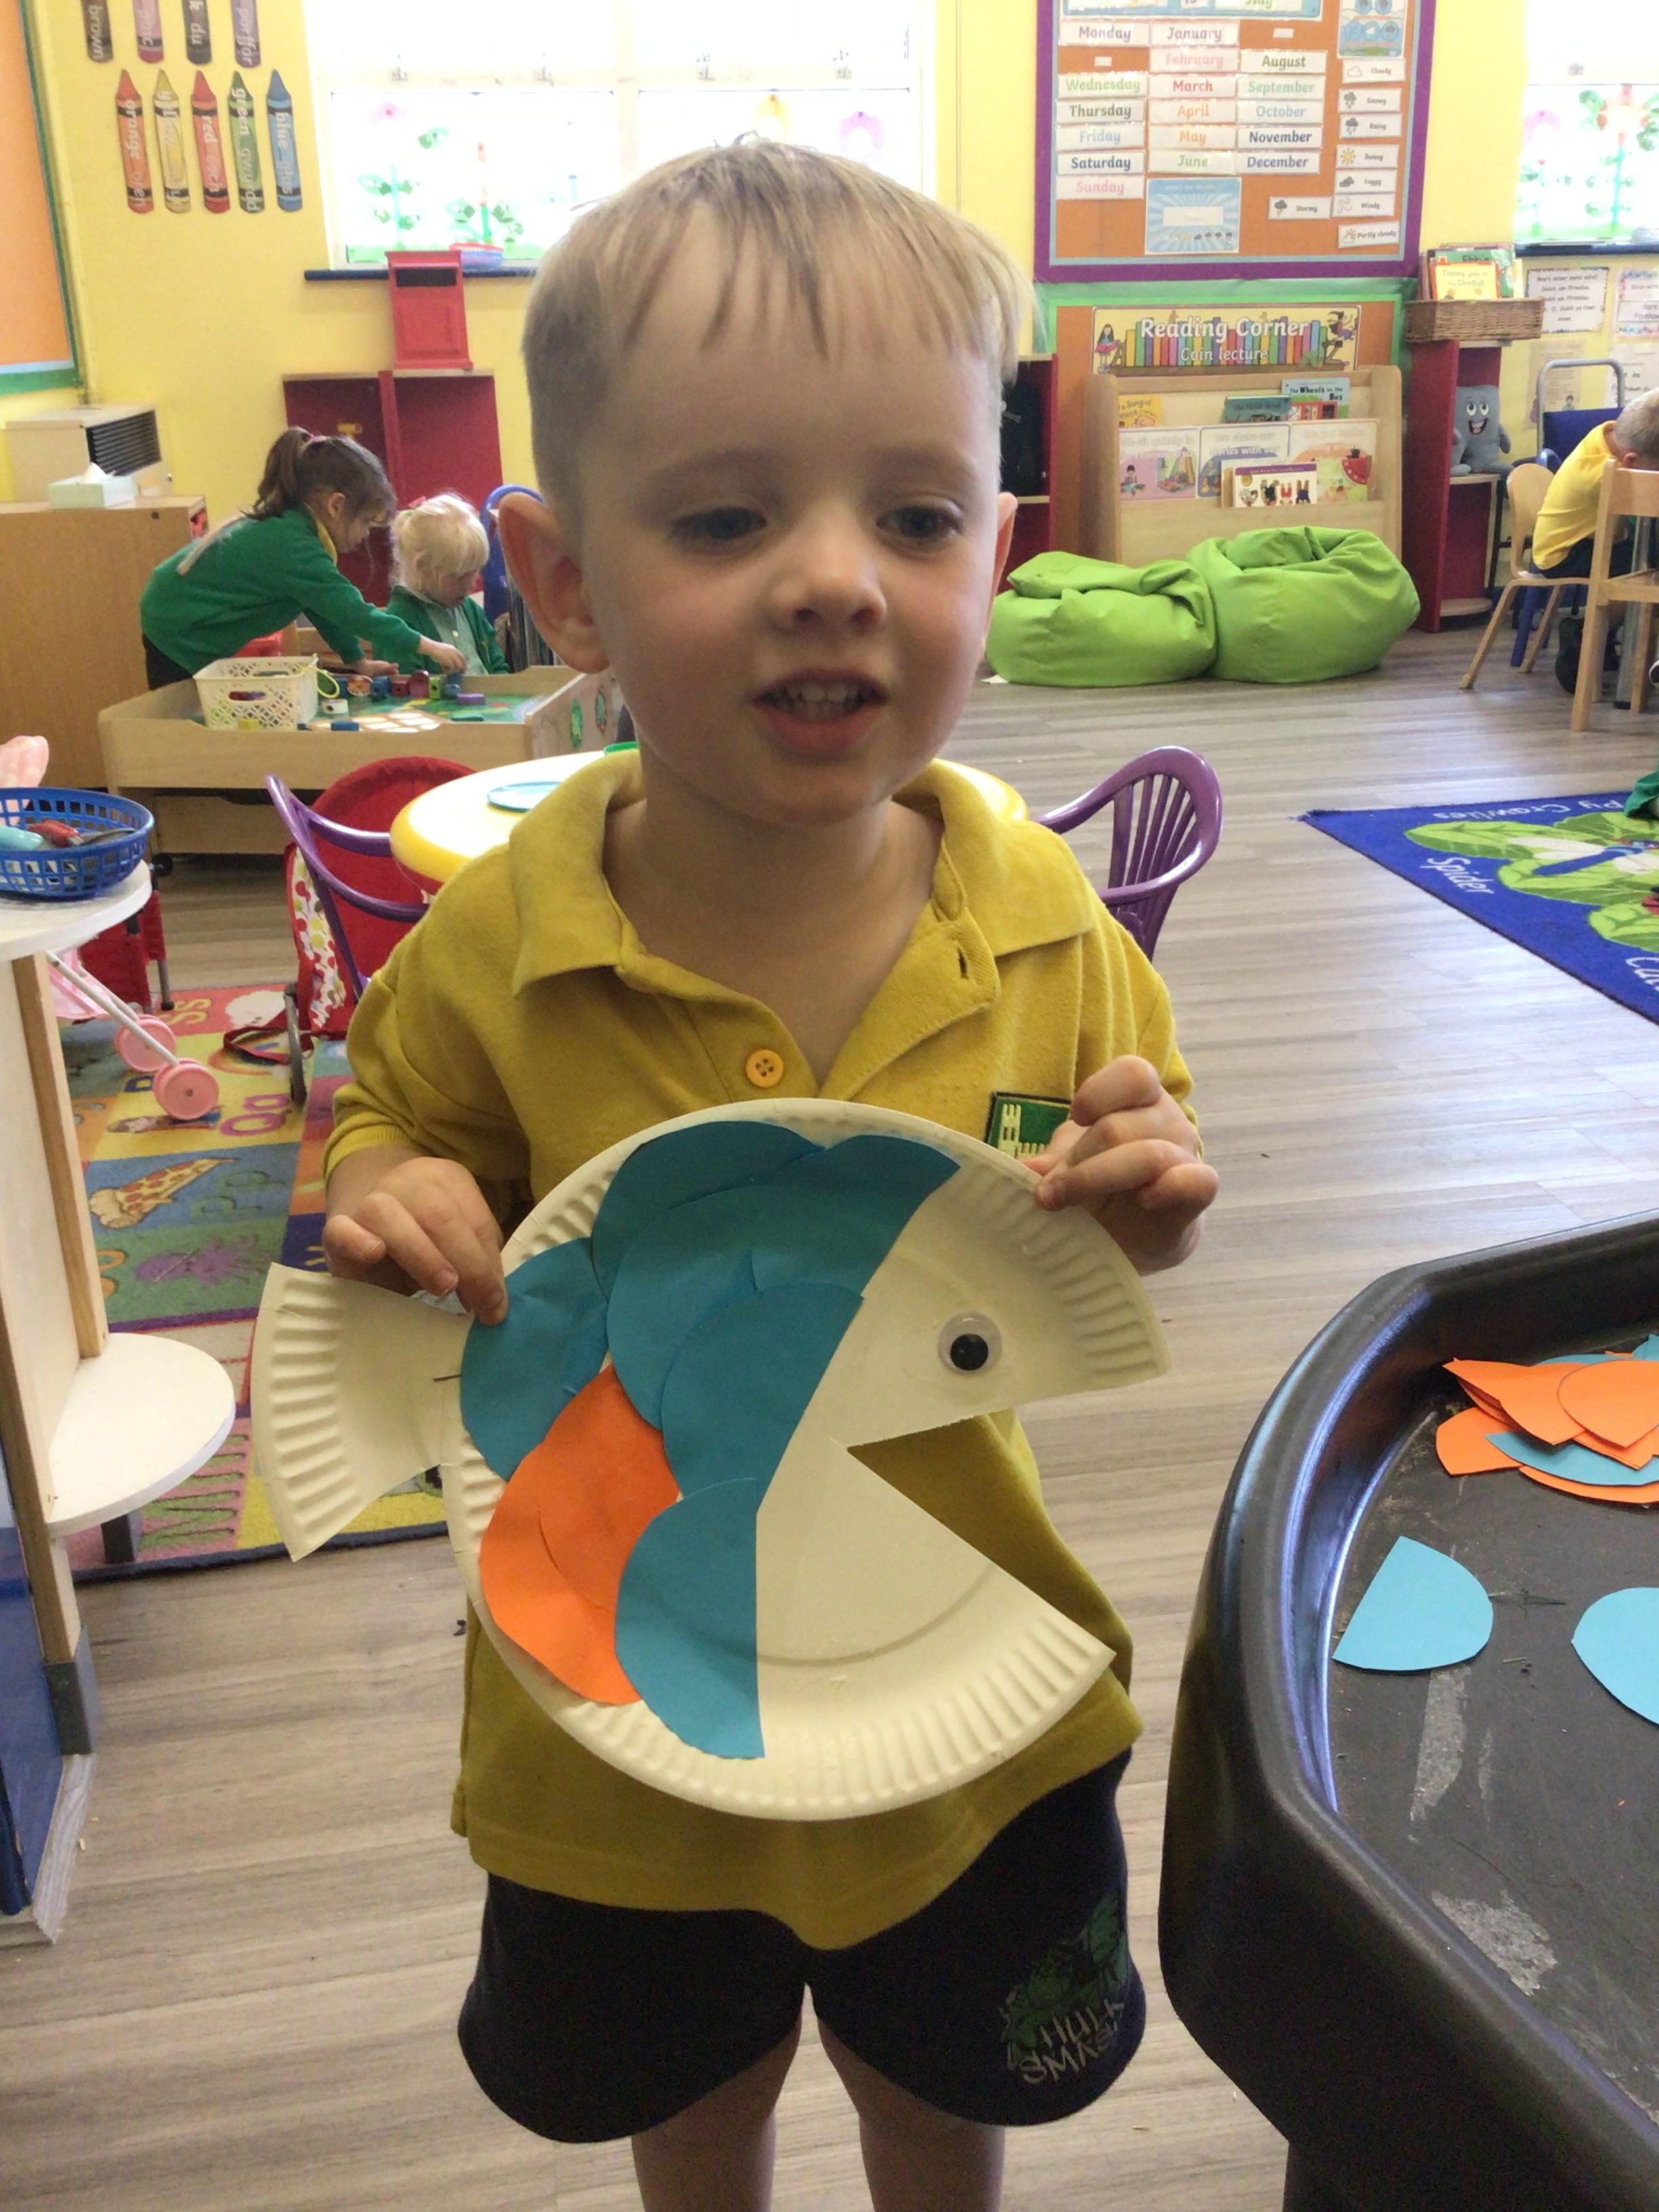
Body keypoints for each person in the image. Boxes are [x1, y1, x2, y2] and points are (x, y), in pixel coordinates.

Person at [321, 141, 1216, 2212]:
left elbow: (1113, 1192)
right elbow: (389, 1134)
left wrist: (1144, 1181)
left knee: (937, 2101)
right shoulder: (494, 944)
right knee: (694, 2103)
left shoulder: (1047, 925)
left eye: (915, 515)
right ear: (563, 582)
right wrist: (397, 1188)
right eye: (728, 519)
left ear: (996, 549)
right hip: (616, 1698)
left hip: (957, 1692)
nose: (834, 578)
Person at [139, 428, 467, 687]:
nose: (366, 534)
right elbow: (356, 613)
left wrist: (357, 661)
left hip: (180, 613)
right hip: (177, 625)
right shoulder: (295, 545)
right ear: (336, 506)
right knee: (181, 723)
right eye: (367, 522)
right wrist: (429, 647)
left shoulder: (300, 532)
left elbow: (323, 608)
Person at [1531, 390, 1659, 695]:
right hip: (1565, 552)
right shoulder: (1601, 474)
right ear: (1631, 461)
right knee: (1649, 570)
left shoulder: (1609, 434)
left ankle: (1604, 636)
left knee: (1649, 562)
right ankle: (1587, 635)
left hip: (1596, 540)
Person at [386, 493, 510, 675]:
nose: (470, 585)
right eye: (459, 576)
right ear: (423, 568)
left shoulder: (471, 610)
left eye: (474, 572)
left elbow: (498, 666)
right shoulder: (400, 619)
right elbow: (408, 686)